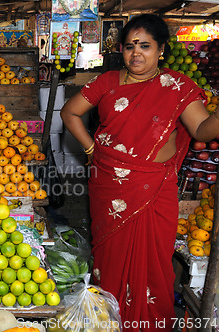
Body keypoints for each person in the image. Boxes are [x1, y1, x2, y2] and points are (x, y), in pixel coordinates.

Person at [60, 14, 219, 331]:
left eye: (145, 46)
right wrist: (91, 150)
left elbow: (201, 129)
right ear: (121, 49)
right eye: (130, 46)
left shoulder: (176, 87)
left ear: (161, 49)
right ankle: (109, 320)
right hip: (110, 188)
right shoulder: (106, 83)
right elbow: (70, 112)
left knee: (154, 264)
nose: (137, 53)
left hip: (155, 189)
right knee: (111, 258)